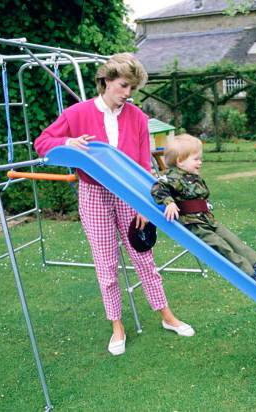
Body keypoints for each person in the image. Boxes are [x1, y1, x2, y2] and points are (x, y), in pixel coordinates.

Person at [34, 53, 194, 357]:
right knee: (106, 264)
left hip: (130, 194)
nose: (127, 94)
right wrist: (66, 143)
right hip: (93, 194)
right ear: (106, 81)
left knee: (144, 257)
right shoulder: (76, 113)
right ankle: (117, 326)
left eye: (132, 88)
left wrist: (143, 203)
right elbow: (42, 143)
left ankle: (166, 316)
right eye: (123, 86)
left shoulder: (137, 117)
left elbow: (144, 164)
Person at [151, 134, 256, 284]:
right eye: (196, 159)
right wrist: (169, 203)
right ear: (180, 161)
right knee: (221, 246)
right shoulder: (173, 177)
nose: (200, 162)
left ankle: (255, 261)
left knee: (232, 239)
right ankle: (247, 272)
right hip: (193, 223)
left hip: (206, 219)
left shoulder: (192, 175)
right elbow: (158, 187)